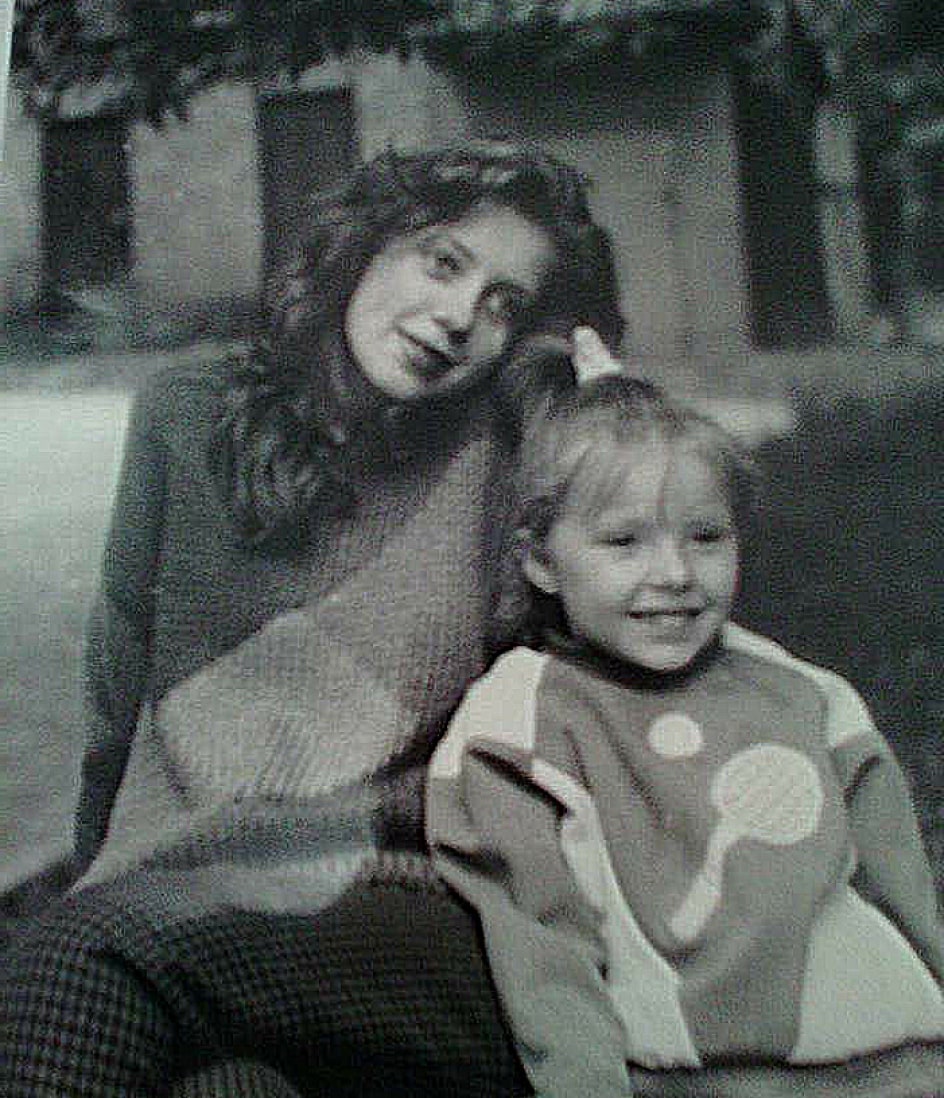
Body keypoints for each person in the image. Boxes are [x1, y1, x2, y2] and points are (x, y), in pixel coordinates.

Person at [0, 143, 625, 1098]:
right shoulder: (183, 414)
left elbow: (626, 665)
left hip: (410, 897)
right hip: (199, 902)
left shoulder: (505, 455)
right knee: (228, 1090)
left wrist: (605, 433)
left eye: (504, 304)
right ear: (363, 244)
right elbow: (117, 695)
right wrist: (104, 873)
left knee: (77, 959)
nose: (460, 318)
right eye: (443, 261)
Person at [427, 375, 944, 1098]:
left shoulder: (803, 694)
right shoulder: (518, 725)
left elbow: (905, 890)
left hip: (902, 1061)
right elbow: (544, 954)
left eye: (705, 538)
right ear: (542, 559)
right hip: (694, 1078)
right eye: (624, 542)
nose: (673, 575)